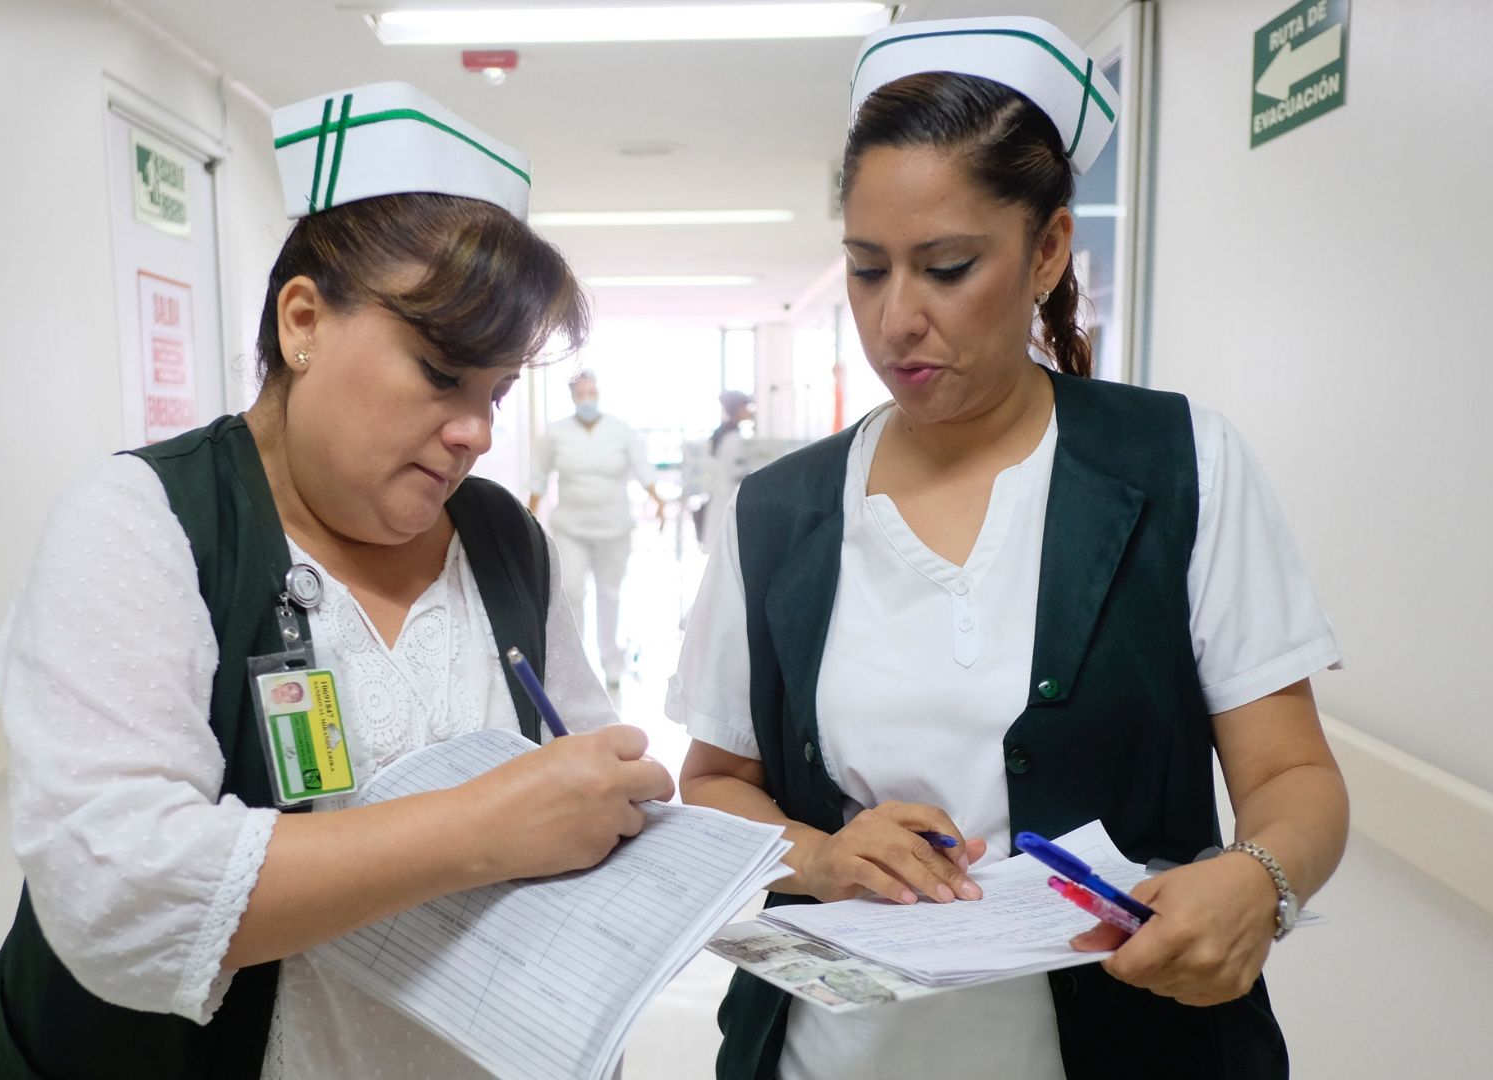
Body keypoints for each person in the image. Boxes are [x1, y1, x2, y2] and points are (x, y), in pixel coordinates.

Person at [0, 82, 673, 1080]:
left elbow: (575, 757)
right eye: (440, 373)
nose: (478, 431)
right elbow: (117, 888)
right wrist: (484, 828)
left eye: (497, 392)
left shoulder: (503, 540)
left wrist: (621, 806)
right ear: (303, 321)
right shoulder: (149, 523)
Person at [670, 18, 1348, 1080]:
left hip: (1136, 1047)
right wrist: (823, 854)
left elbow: (1296, 775)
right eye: (864, 269)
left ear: (1046, 250)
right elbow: (712, 782)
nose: (897, 319)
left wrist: (1259, 879)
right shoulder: (780, 513)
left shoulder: (1177, 465)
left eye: (946, 268)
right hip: (834, 1053)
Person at [528, 370, 667, 688]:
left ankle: (611, 662)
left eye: (592, 392)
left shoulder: (621, 431)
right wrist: (529, 517)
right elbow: (539, 476)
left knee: (610, 594)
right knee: (572, 591)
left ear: (599, 394)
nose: (586, 399)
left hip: (613, 527)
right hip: (571, 528)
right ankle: (575, 667)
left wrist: (658, 501)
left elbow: (643, 470)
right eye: (581, 394)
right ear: (573, 397)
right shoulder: (557, 433)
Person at [697, 389, 755, 551]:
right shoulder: (733, 438)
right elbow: (738, 473)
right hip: (728, 498)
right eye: (746, 407)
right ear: (738, 409)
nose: (749, 411)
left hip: (721, 498)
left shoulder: (721, 433)